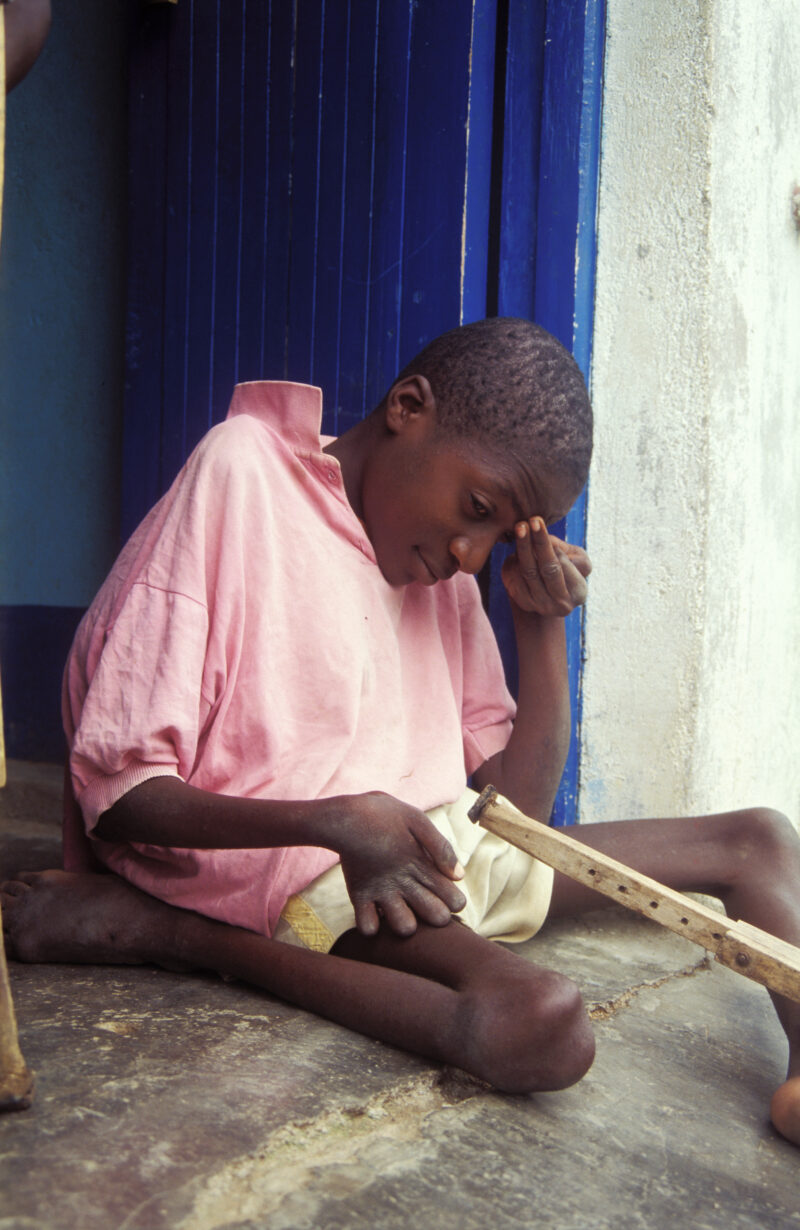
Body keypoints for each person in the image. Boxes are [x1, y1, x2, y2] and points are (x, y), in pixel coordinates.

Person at [2, 318, 800, 1145]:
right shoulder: (243, 473)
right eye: (478, 508)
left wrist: (539, 630)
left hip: (428, 853)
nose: (468, 552)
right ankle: (177, 935)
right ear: (407, 408)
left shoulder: (440, 569)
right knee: (539, 1023)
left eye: (500, 538)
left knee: (761, 840)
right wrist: (333, 822)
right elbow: (121, 793)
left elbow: (514, 815)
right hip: (302, 867)